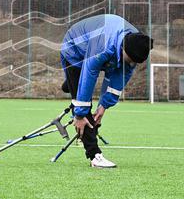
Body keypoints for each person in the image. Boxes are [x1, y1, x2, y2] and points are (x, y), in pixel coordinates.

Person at [60, 14, 153, 168]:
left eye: (134, 63)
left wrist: (103, 106)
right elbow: (89, 74)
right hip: (75, 51)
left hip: (101, 51)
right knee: (83, 106)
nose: (131, 64)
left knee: (84, 97)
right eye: (130, 60)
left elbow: (118, 81)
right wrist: (80, 113)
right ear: (123, 49)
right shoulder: (102, 47)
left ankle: (69, 86)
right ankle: (95, 156)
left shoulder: (136, 44)